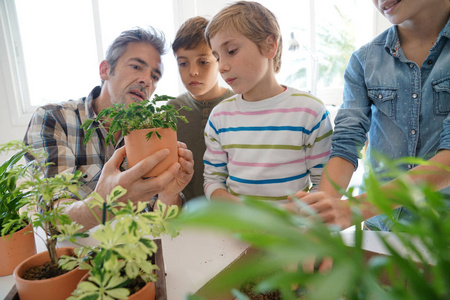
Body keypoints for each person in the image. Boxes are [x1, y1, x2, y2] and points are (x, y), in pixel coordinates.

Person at [294, 0, 450, 231]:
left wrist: (355, 209)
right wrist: (320, 220)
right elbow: (346, 143)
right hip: (380, 229)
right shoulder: (364, 61)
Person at [24, 27, 194, 230]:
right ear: (105, 70)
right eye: (136, 66)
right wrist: (108, 205)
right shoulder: (54, 119)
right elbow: (54, 217)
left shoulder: (150, 133)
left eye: (155, 77)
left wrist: (169, 193)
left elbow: (160, 225)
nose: (146, 81)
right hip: (75, 257)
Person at [202, 1, 333, 202]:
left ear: (270, 46)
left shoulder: (310, 112)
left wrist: (292, 216)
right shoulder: (220, 117)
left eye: (232, 51)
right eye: (217, 57)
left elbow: (323, 186)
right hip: (237, 230)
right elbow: (212, 181)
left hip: (291, 230)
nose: (222, 67)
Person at [168, 16, 234, 201]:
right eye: (183, 63)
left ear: (219, 60)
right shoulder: (171, 111)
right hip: (184, 219)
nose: (193, 71)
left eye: (203, 62)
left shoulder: (238, 105)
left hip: (233, 217)